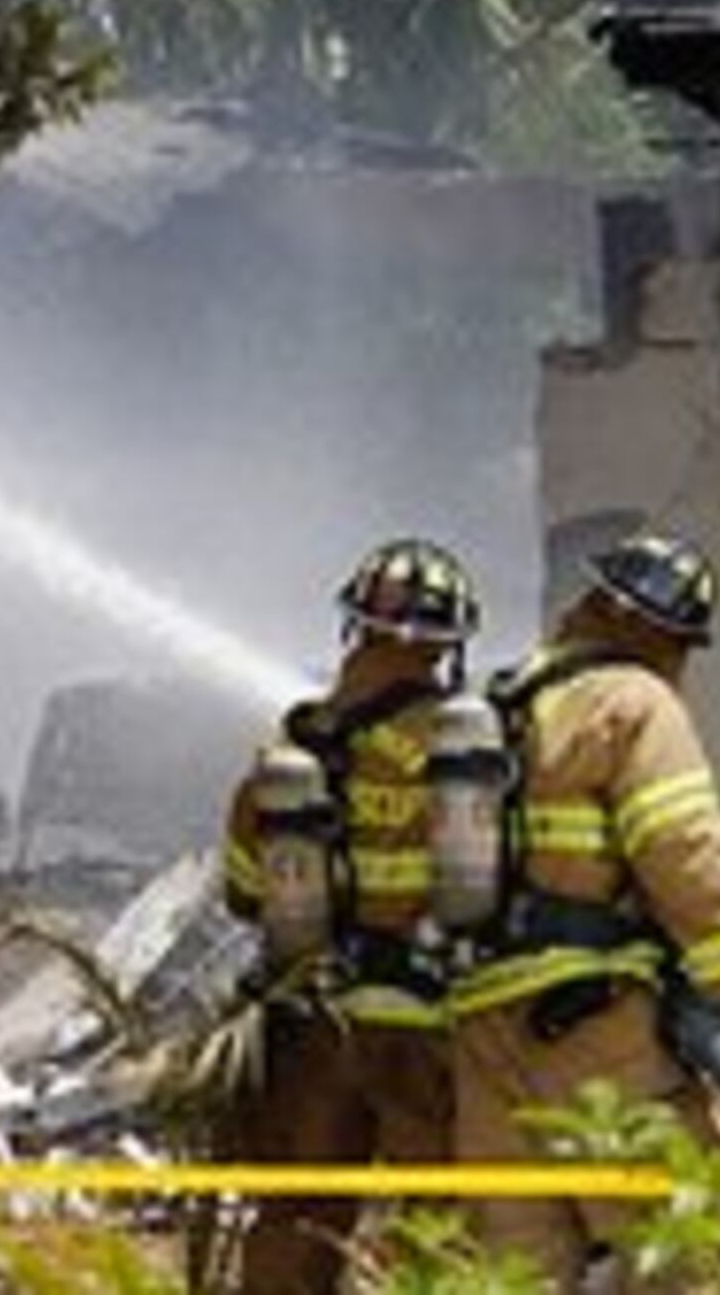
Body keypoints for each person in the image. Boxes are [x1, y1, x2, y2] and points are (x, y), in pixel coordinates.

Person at [439, 525, 720, 1287]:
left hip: (484, 1028)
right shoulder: (633, 701)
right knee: (695, 1250)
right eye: (682, 645)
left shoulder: (505, 706)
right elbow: (682, 851)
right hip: (593, 1025)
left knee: (514, 1270)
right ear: (656, 633)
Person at [214, 536, 480, 1295]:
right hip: (425, 1023)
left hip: (309, 1026)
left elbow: (242, 889)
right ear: (449, 645)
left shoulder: (290, 749)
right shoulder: (461, 747)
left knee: (294, 1226)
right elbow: (491, 886)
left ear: (354, 626)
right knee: (442, 1227)